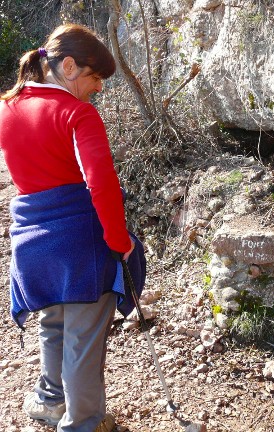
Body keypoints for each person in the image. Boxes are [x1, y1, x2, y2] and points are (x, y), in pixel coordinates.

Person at [0, 24, 146, 432]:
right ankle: (83, 424)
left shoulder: (7, 107)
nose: (98, 88)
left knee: (54, 323)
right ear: (68, 66)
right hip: (80, 246)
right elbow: (101, 184)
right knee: (82, 339)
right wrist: (120, 242)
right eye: (94, 77)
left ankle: (50, 401)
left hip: (31, 243)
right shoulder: (78, 114)